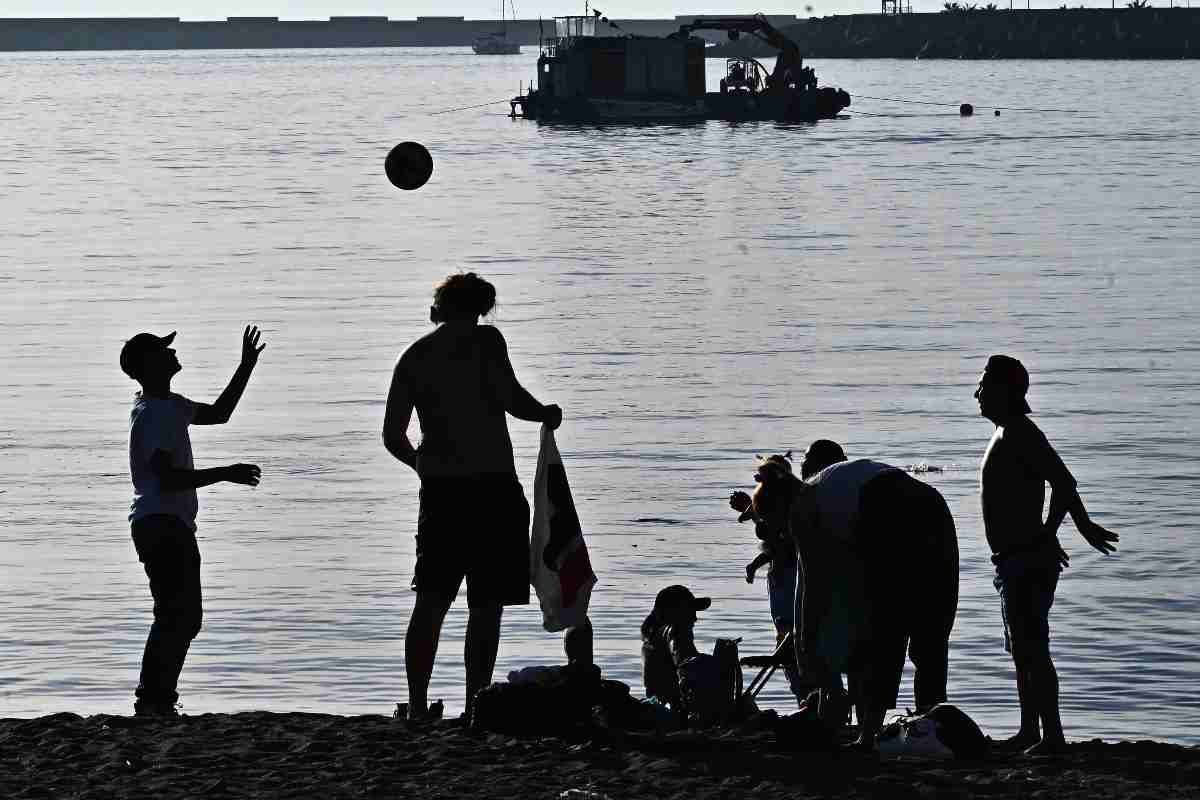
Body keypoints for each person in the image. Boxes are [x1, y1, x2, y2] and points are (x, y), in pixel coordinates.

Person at [383, 272, 562, 721]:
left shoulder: (414, 356)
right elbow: (510, 397)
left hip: (442, 492)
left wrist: (419, 464)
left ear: (438, 307)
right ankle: (474, 703)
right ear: (482, 308)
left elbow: (392, 435)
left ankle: (419, 704)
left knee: (431, 601)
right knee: (485, 606)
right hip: (494, 488)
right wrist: (545, 413)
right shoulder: (487, 342)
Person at [752, 453, 959, 749]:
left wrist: (810, 656)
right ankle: (935, 724)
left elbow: (812, 593)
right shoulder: (824, 485)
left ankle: (870, 735)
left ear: (780, 508)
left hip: (889, 512)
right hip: (933, 508)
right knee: (931, 632)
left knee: (880, 635)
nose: (782, 534)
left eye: (776, 525)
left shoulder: (802, 508)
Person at [975, 355, 1118, 755]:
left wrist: (1050, 533)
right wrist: (1078, 526)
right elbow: (1062, 483)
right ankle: (1029, 731)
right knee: (1021, 649)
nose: (977, 394)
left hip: (1026, 559)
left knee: (1033, 648)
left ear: (1006, 392)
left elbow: (1064, 481)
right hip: (1011, 559)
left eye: (984, 387)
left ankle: (1051, 735)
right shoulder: (1007, 432)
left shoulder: (1020, 432)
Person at [121, 326, 265, 717]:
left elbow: (220, 414)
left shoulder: (170, 405)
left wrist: (245, 366)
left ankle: (156, 698)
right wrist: (225, 473)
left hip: (167, 523)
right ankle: (154, 700)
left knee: (180, 616)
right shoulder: (155, 415)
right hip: (161, 523)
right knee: (177, 615)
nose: (173, 354)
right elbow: (167, 478)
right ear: (150, 365)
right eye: (165, 352)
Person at [729, 441, 849, 703]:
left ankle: (818, 705)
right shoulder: (809, 497)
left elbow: (785, 546)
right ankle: (820, 705)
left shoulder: (803, 504)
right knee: (802, 649)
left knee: (800, 649)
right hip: (789, 585)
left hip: (793, 586)